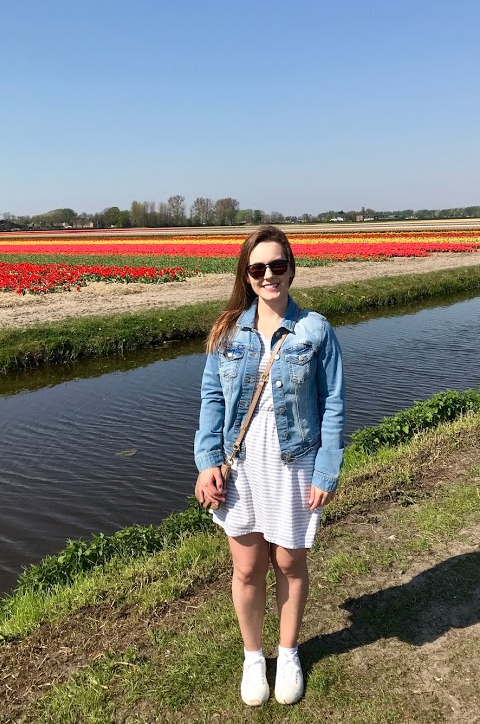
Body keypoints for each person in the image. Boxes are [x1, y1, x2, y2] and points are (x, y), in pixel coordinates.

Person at [194, 225, 345, 706]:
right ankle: (254, 657)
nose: (268, 275)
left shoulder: (315, 330)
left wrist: (326, 471)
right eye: (257, 268)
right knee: (246, 567)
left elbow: (335, 403)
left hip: (295, 464)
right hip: (241, 468)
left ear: (291, 268)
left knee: (289, 560)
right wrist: (207, 461)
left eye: (277, 265)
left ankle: (289, 651)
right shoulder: (227, 331)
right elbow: (211, 399)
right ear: (246, 274)